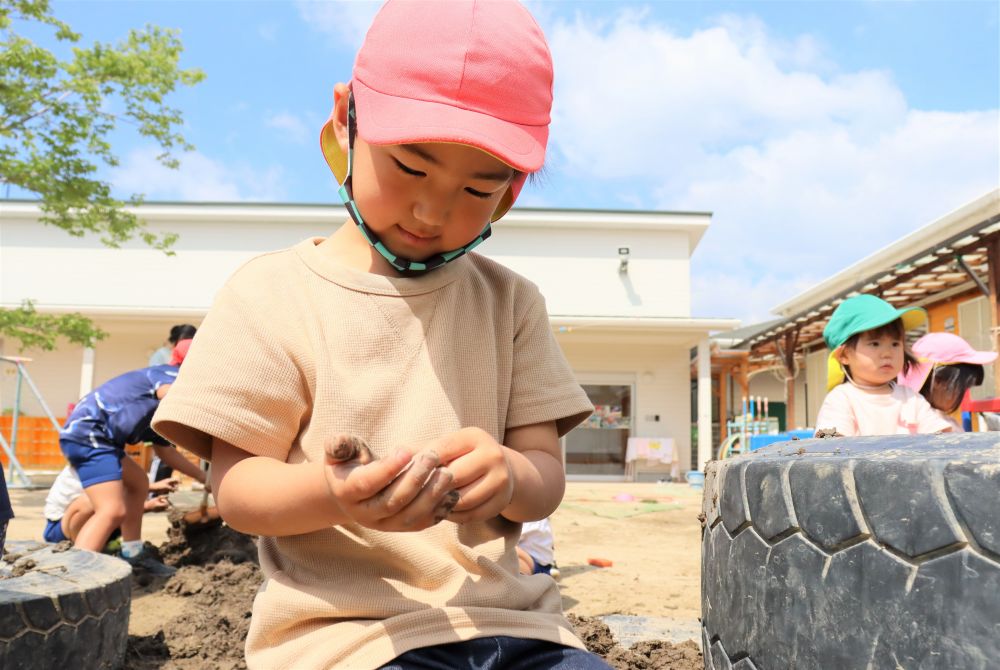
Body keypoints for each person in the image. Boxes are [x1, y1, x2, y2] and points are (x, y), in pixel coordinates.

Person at [153, 2, 610, 668]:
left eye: (476, 189)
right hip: (348, 639)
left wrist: (507, 474)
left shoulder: (511, 304)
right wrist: (334, 495)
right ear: (346, 120)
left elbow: (545, 476)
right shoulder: (271, 294)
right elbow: (240, 490)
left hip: (519, 630)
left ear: (509, 193)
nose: (432, 211)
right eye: (411, 168)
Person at [60, 338, 195, 576]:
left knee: (138, 483)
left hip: (102, 438)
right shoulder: (168, 374)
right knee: (112, 510)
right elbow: (170, 394)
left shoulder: (154, 409)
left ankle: (132, 553)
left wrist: (206, 477)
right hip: (90, 433)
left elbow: (166, 452)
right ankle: (75, 577)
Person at [815, 295, 952, 437]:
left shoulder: (911, 398)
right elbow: (831, 447)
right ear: (844, 355)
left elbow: (940, 440)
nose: (887, 353)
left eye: (895, 344)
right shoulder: (841, 399)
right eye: (875, 344)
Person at [42, 462, 186, 548]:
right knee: (94, 502)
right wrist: (149, 499)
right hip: (60, 530)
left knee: (113, 504)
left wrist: (151, 492)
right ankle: (80, 551)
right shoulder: (90, 457)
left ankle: (100, 546)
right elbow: (111, 493)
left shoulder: (113, 457)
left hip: (86, 522)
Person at [896, 332, 998, 432]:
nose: (962, 396)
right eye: (962, 388)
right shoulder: (933, 426)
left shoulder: (909, 414)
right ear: (938, 381)